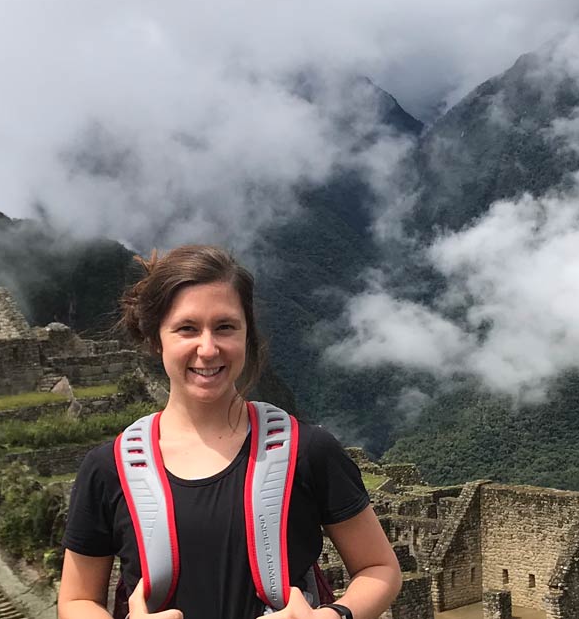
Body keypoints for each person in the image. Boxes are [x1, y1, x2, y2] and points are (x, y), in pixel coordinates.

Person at [59, 245, 402, 619]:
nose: (208, 349)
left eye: (225, 327)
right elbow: (77, 600)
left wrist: (333, 616)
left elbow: (379, 569)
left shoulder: (307, 451)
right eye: (187, 329)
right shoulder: (109, 470)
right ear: (156, 339)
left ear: (246, 335)